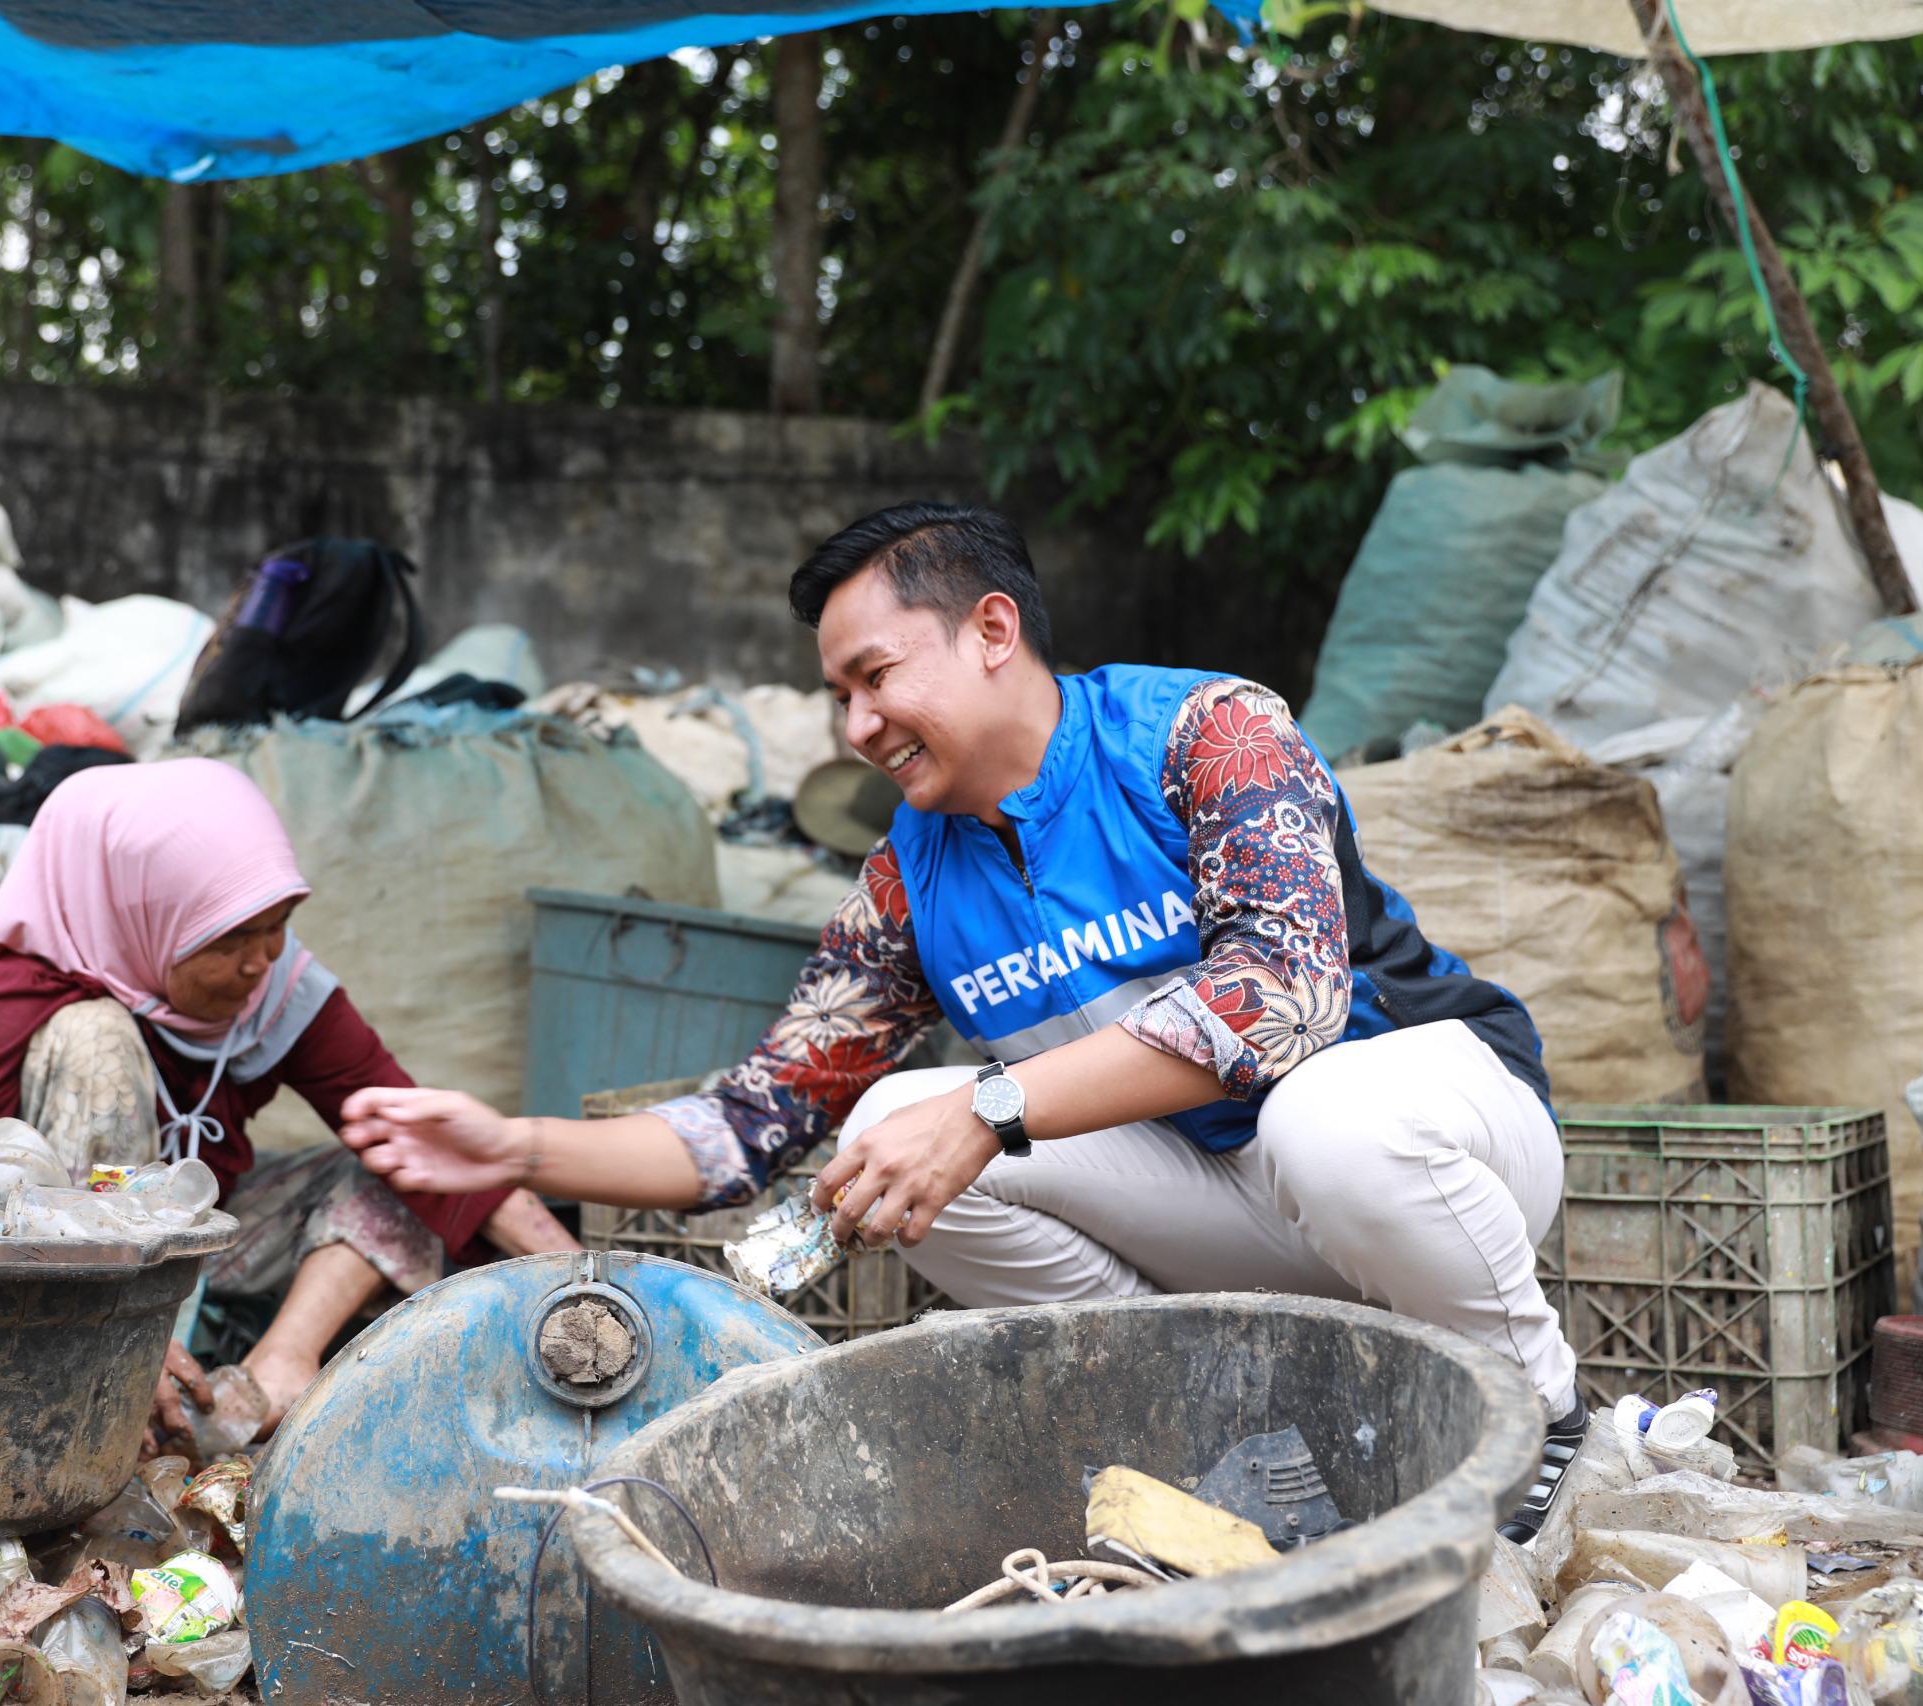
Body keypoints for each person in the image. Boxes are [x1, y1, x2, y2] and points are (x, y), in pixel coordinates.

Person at [340, 502, 1587, 1545]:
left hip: (1425, 1140)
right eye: (837, 694)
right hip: (1223, 1199)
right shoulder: (911, 876)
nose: (855, 727)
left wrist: (991, 1105)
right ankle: (1217, 1429)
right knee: (888, 1123)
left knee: (1320, 1120)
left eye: (875, 677)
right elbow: (749, 1123)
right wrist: (513, 1148)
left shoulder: (1204, 731)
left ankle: (1539, 1421)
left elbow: (1285, 993)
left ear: (992, 630)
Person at [0, 758, 578, 1444]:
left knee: (400, 1151)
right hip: (51, 1276)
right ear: (143, 918)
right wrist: (111, 1317)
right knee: (95, 1037)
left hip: (209, 1235)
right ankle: (109, 1355)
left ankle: (278, 1369)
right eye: (230, 939)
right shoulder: (18, 996)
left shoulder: (277, 987)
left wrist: (587, 1286)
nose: (261, 961)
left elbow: (409, 1125)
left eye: (276, 925)